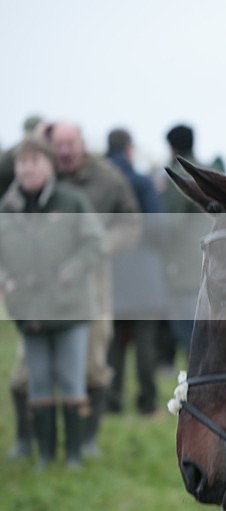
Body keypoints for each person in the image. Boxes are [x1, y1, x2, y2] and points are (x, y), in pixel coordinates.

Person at [0, 138, 105, 467]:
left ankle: (73, 455)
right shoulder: (9, 206)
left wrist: (70, 270)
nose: (28, 168)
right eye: (23, 163)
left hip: (69, 308)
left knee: (73, 380)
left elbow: (94, 243)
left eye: (35, 162)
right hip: (27, 309)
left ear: (49, 167)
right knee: (39, 382)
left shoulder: (72, 201)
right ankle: (45, 455)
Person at [45, 121, 141, 454]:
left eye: (71, 143)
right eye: (58, 144)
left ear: (82, 143)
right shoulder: (39, 173)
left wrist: (101, 247)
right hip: (43, 284)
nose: (65, 151)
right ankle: (33, 440)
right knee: (29, 370)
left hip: (93, 281)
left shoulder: (108, 178)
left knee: (93, 361)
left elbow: (132, 223)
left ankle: (86, 439)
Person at [105, 128, 168, 415]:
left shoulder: (101, 180)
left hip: (110, 269)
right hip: (142, 270)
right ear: (129, 149)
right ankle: (146, 402)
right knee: (145, 341)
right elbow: (157, 228)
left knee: (114, 343)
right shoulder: (142, 182)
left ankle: (112, 401)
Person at [158, 124, 215, 359]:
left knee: (190, 335)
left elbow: (170, 224)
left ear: (171, 147)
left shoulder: (176, 174)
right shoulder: (210, 171)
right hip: (213, 259)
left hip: (184, 268)